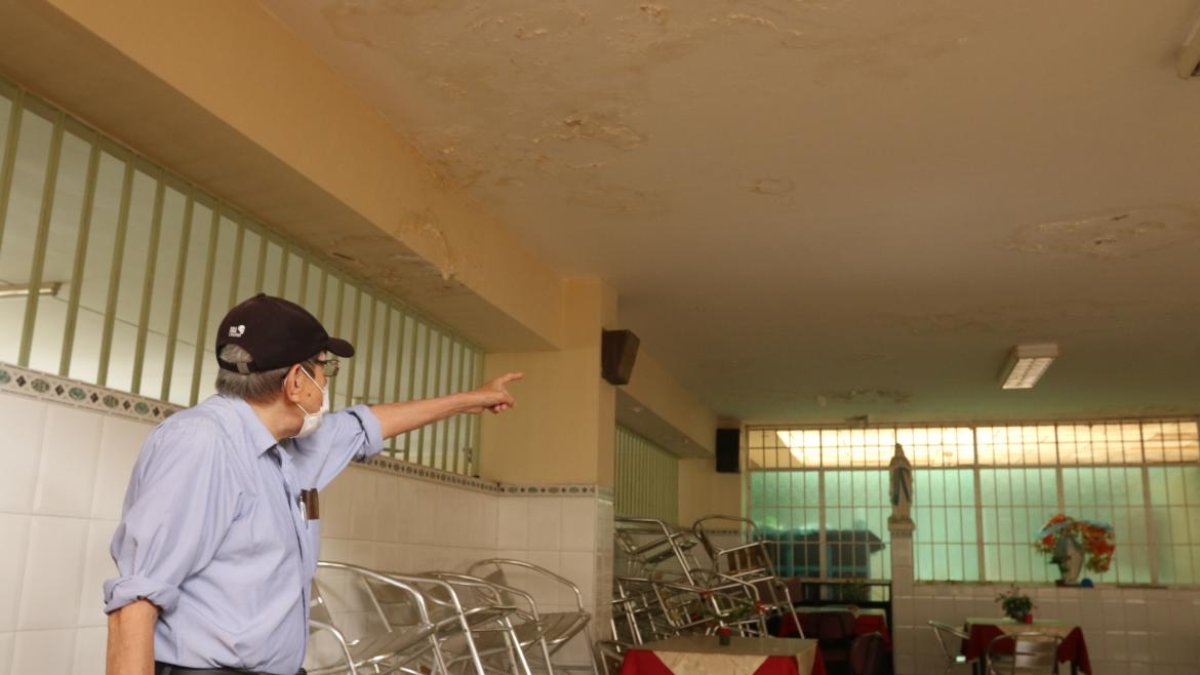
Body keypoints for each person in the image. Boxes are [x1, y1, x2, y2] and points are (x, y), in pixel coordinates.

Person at [103, 293, 522, 675]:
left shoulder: (287, 447)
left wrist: (474, 399)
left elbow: (367, 424)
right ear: (295, 382)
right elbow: (136, 602)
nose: (327, 380)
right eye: (325, 366)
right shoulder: (201, 443)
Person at [888, 442, 913, 522]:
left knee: (903, 500)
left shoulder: (905, 460)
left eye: (899, 450)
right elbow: (891, 469)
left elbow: (909, 469)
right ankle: (897, 515)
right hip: (896, 484)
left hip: (904, 484)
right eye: (896, 450)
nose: (898, 451)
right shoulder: (894, 460)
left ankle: (904, 515)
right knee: (897, 501)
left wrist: (902, 466)